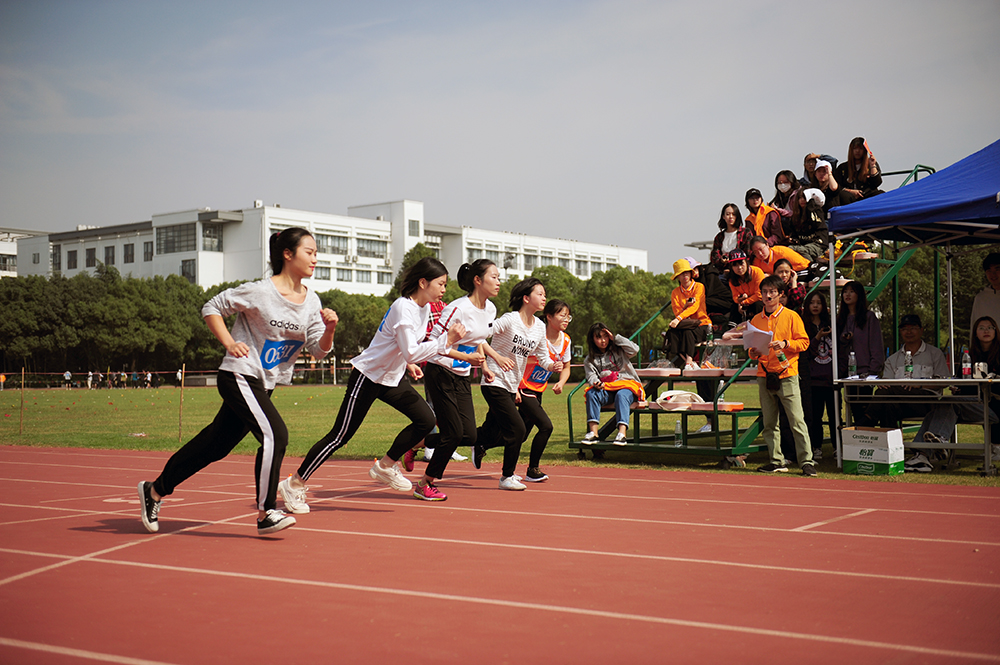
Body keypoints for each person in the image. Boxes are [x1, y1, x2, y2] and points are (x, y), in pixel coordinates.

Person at [138, 228, 338, 536]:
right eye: (309, 251)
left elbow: (317, 351)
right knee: (275, 435)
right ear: (288, 254)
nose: (315, 258)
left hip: (263, 383)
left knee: (214, 445)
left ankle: (155, 490)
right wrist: (230, 343)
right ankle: (266, 512)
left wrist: (329, 329)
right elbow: (212, 307)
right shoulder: (260, 291)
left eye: (315, 252)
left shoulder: (312, 301)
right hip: (238, 374)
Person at [281, 257, 465, 507]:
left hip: (392, 378)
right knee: (340, 436)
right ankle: (294, 484)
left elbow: (403, 347)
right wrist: (446, 340)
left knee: (425, 419)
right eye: (441, 284)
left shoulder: (422, 309)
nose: (444, 289)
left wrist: (408, 362)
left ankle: (386, 466)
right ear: (423, 282)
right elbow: (411, 350)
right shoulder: (404, 307)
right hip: (368, 376)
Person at [420, 259, 499, 486]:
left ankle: (417, 443)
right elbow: (433, 343)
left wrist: (486, 362)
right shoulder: (457, 308)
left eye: (498, 277)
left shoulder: (491, 309)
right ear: (477, 280)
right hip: (440, 372)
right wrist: (466, 357)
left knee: (470, 435)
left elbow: (479, 339)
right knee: (453, 433)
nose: (498, 282)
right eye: (493, 277)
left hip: (462, 375)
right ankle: (427, 482)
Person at [475, 278, 556, 490]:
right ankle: (507, 476)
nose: (544, 297)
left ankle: (432, 442)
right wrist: (496, 358)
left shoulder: (539, 327)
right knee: (518, 429)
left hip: (511, 385)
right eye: (540, 293)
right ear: (526, 298)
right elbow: (479, 335)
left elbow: (543, 358)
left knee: (486, 434)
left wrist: (552, 366)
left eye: (544, 293)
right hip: (494, 380)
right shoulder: (510, 320)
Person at [853, 315, 950, 472]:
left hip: (926, 401)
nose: (908, 332)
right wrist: (886, 386)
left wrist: (920, 384)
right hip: (900, 402)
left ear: (921, 330)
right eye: (904, 329)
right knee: (887, 404)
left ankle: (867, 420)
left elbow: (944, 381)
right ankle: (892, 454)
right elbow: (888, 385)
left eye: (912, 328)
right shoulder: (893, 359)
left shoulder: (934, 353)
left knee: (885, 394)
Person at [746, 275, 817, 476]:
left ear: (780, 294)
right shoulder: (756, 319)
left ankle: (806, 461)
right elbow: (752, 350)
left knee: (797, 420)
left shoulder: (792, 316)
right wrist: (753, 352)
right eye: (765, 292)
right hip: (764, 374)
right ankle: (776, 460)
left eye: (772, 292)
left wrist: (785, 344)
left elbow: (804, 343)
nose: (768, 296)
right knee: (770, 422)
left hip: (787, 374)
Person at [911, 316, 1000, 469]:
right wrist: (957, 388)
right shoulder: (968, 356)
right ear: (975, 333)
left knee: (948, 402)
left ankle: (932, 445)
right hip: (971, 405)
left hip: (994, 408)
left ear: (996, 332)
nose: (986, 331)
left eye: (990, 327)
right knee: (940, 407)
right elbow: (962, 383)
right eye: (981, 328)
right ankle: (923, 456)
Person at [517, 299, 573, 483]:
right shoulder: (536, 336)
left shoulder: (566, 340)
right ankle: (532, 469)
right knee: (546, 426)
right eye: (562, 315)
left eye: (568, 316)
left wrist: (561, 383)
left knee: (521, 434)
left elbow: (566, 367)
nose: (566, 319)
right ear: (549, 317)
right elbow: (519, 359)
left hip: (538, 389)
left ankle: (481, 443)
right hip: (524, 387)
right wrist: (545, 364)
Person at [580, 323, 643, 446]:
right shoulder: (590, 359)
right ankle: (593, 434)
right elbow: (591, 375)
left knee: (621, 395)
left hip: (627, 387)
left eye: (605, 336)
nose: (603, 340)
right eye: (598, 337)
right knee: (591, 393)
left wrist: (615, 338)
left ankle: (622, 434)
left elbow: (635, 349)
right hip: (607, 390)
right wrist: (596, 382)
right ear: (592, 340)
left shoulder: (619, 349)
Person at [801, 292, 835, 459]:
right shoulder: (804, 325)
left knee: (835, 415)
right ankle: (816, 447)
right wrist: (817, 337)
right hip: (813, 379)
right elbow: (806, 352)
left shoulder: (831, 324)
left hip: (830, 379)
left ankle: (838, 447)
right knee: (815, 417)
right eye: (812, 303)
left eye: (818, 303)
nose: (815, 306)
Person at [665, 258, 711, 369]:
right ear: (677, 277)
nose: (685, 275)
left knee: (687, 332)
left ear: (691, 273)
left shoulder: (699, 287)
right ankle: (689, 362)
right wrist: (685, 307)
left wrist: (679, 317)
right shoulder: (675, 292)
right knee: (671, 334)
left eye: (686, 272)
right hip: (685, 323)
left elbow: (695, 307)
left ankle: (688, 363)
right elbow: (676, 311)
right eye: (681, 274)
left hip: (701, 323)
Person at [783, 188, 828, 261]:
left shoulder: (816, 210)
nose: (802, 200)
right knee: (788, 250)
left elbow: (817, 224)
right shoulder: (796, 216)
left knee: (802, 250)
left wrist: (810, 205)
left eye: (804, 197)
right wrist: (793, 239)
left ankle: (812, 268)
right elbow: (795, 234)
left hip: (819, 244)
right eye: (799, 198)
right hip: (804, 245)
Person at [689, 255, 731, 332]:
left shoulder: (709, 274)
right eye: (691, 271)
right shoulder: (691, 283)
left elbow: (706, 293)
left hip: (726, 302)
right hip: (714, 302)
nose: (694, 272)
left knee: (701, 301)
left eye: (695, 269)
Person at [709, 203, 754, 274]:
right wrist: (721, 261)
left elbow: (748, 254)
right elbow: (714, 257)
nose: (731, 217)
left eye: (733, 214)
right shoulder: (719, 237)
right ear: (723, 216)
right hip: (723, 271)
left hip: (741, 271)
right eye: (728, 214)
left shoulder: (745, 233)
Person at [727, 250, 764, 323]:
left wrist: (744, 302)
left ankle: (760, 324)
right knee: (734, 306)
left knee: (758, 304)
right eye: (735, 265)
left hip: (758, 301)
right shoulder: (731, 279)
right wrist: (739, 301)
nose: (739, 268)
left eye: (741, 263)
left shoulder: (757, 272)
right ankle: (734, 328)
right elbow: (735, 297)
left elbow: (760, 295)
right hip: (744, 302)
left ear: (746, 263)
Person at [971, 252, 1000, 332]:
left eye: (997, 269)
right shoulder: (981, 299)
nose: (993, 274)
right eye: (989, 271)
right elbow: (975, 327)